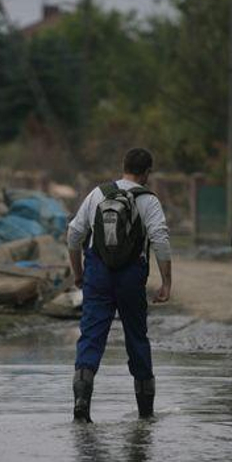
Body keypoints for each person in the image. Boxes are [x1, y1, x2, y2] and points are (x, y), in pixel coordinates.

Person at [67, 148, 172, 422]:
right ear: (147, 172)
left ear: (122, 166)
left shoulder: (97, 194)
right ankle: (146, 415)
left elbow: (74, 234)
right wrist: (166, 283)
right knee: (136, 337)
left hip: (97, 274)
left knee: (91, 335)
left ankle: (81, 402)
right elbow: (160, 240)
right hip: (131, 276)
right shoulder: (148, 200)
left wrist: (79, 273)